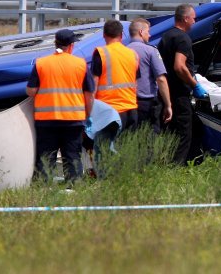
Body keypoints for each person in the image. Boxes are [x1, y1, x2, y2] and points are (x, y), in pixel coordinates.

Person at [27, 29, 94, 185]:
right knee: (72, 156)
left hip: (47, 121)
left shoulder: (41, 63)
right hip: (73, 121)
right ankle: (74, 187)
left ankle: (43, 188)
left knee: (46, 156)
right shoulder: (80, 64)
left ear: (55, 43)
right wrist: (88, 115)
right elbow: (89, 94)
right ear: (71, 46)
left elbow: (31, 91)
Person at [157, 4, 208, 164]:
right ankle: (177, 168)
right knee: (184, 133)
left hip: (166, 93)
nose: (195, 21)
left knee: (173, 132)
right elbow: (179, 66)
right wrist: (195, 85)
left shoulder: (165, 37)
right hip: (180, 94)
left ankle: (170, 163)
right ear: (186, 19)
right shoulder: (183, 38)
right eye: (193, 18)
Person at [91, 20, 140, 131]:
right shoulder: (133, 54)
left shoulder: (101, 53)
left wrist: (90, 110)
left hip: (108, 110)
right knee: (128, 146)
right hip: (131, 109)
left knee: (106, 147)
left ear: (104, 35)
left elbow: (94, 84)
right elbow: (136, 83)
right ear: (121, 35)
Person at [128, 18, 172, 133]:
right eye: (148, 31)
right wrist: (168, 104)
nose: (150, 34)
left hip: (127, 103)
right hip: (147, 104)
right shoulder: (151, 51)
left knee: (129, 137)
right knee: (149, 140)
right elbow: (161, 79)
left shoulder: (123, 51)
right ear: (141, 32)